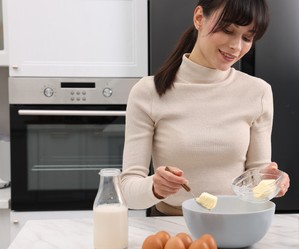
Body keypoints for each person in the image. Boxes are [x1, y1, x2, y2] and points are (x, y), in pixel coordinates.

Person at [120, 0, 290, 216]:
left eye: (247, 37)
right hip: (172, 226)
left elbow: (255, 179)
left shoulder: (258, 92)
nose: (236, 47)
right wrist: (154, 187)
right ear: (199, 18)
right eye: (228, 30)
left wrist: (270, 181)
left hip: (234, 223)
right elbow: (128, 190)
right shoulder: (148, 91)